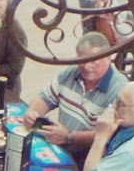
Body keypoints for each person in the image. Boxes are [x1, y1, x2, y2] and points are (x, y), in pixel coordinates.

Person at [20, 32, 127, 163]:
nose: (86, 66)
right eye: (81, 60)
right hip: (61, 148)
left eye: (93, 60)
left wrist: (69, 137)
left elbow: (107, 135)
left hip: (89, 160)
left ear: (108, 58)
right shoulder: (71, 72)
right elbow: (45, 98)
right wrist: (33, 113)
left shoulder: (120, 89)